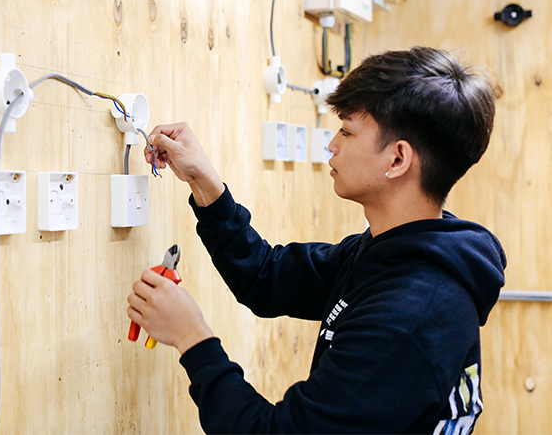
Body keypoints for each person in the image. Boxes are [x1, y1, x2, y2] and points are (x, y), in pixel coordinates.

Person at [126, 47, 506, 434]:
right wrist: (204, 182)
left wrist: (192, 337)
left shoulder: (410, 315)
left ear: (397, 159)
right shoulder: (394, 251)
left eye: (347, 130)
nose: (332, 145)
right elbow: (265, 278)